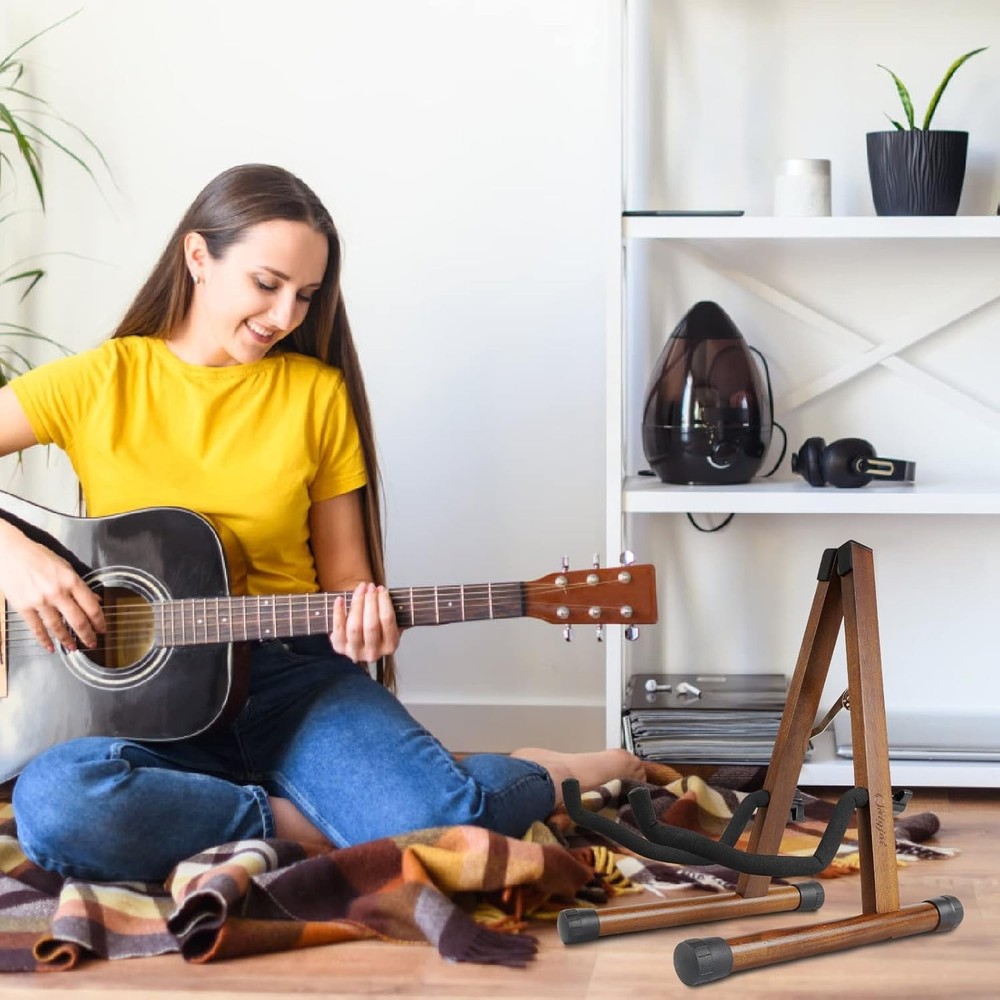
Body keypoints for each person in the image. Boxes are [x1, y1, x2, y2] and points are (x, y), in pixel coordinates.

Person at [0, 163, 643, 882]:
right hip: (135, 701)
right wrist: (14, 556)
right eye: (267, 284)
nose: (285, 317)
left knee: (447, 822)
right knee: (57, 807)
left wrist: (365, 619)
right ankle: (312, 816)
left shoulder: (316, 393)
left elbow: (347, 581)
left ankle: (541, 773)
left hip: (290, 677)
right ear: (198, 258)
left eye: (305, 296)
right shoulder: (99, 381)